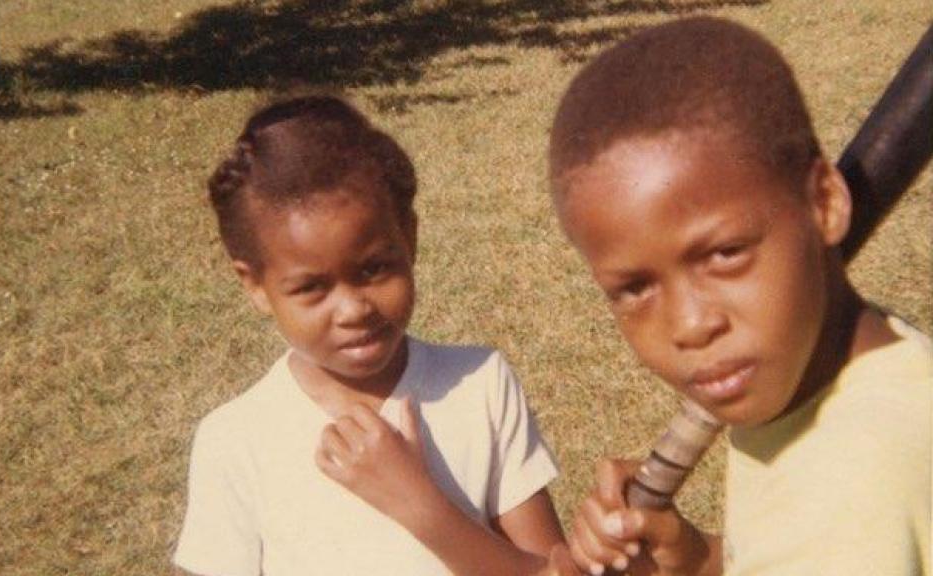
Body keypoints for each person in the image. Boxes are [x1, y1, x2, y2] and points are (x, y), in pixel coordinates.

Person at [547, 16, 931, 576]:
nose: (690, 324)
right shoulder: (826, 381)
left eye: (726, 253)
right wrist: (700, 558)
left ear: (824, 201)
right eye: (634, 288)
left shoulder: (855, 479)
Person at [173, 95, 566, 576]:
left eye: (374, 268)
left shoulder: (479, 385)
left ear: (410, 239)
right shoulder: (235, 443)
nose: (355, 308)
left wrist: (419, 504)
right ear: (254, 285)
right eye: (312, 288)